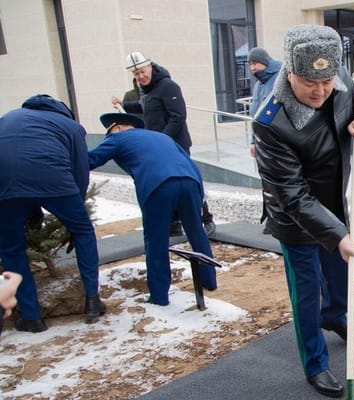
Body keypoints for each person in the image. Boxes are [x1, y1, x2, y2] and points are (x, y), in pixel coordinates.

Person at [252, 24, 354, 398]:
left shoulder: (336, 79)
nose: (321, 90)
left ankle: (336, 318)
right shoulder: (270, 122)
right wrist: (337, 235)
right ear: (290, 72)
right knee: (307, 292)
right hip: (294, 217)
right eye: (310, 83)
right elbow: (292, 194)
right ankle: (315, 365)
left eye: (326, 81)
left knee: (341, 274)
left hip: (336, 203)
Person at [0, 94, 107, 333]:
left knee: (11, 249)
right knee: (83, 231)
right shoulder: (70, 126)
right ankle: (92, 299)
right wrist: (75, 217)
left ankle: (31, 317)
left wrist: (30, 208)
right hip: (54, 180)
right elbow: (80, 172)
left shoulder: (8, 118)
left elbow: (17, 163)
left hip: (4, 184)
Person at [88, 113, 217, 306]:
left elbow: (91, 160)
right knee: (196, 232)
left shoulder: (118, 138)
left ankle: (159, 296)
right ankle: (209, 280)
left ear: (119, 127)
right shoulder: (161, 136)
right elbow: (189, 162)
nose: (109, 135)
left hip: (158, 186)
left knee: (156, 240)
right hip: (189, 181)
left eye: (111, 131)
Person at [111, 51, 216, 236]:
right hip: (159, 148)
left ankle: (205, 218)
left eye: (143, 71)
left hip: (176, 146)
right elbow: (145, 106)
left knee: (189, 182)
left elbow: (178, 117)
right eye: (136, 74)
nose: (141, 76)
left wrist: (163, 140)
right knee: (167, 184)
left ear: (150, 67)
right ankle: (174, 222)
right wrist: (125, 105)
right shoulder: (147, 90)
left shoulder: (168, 86)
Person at [247, 47, 283, 159]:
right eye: (250, 64)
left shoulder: (280, 79)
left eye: (255, 63)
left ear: (264, 62)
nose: (252, 68)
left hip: (277, 142)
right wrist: (253, 141)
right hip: (262, 141)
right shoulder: (258, 84)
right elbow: (256, 116)